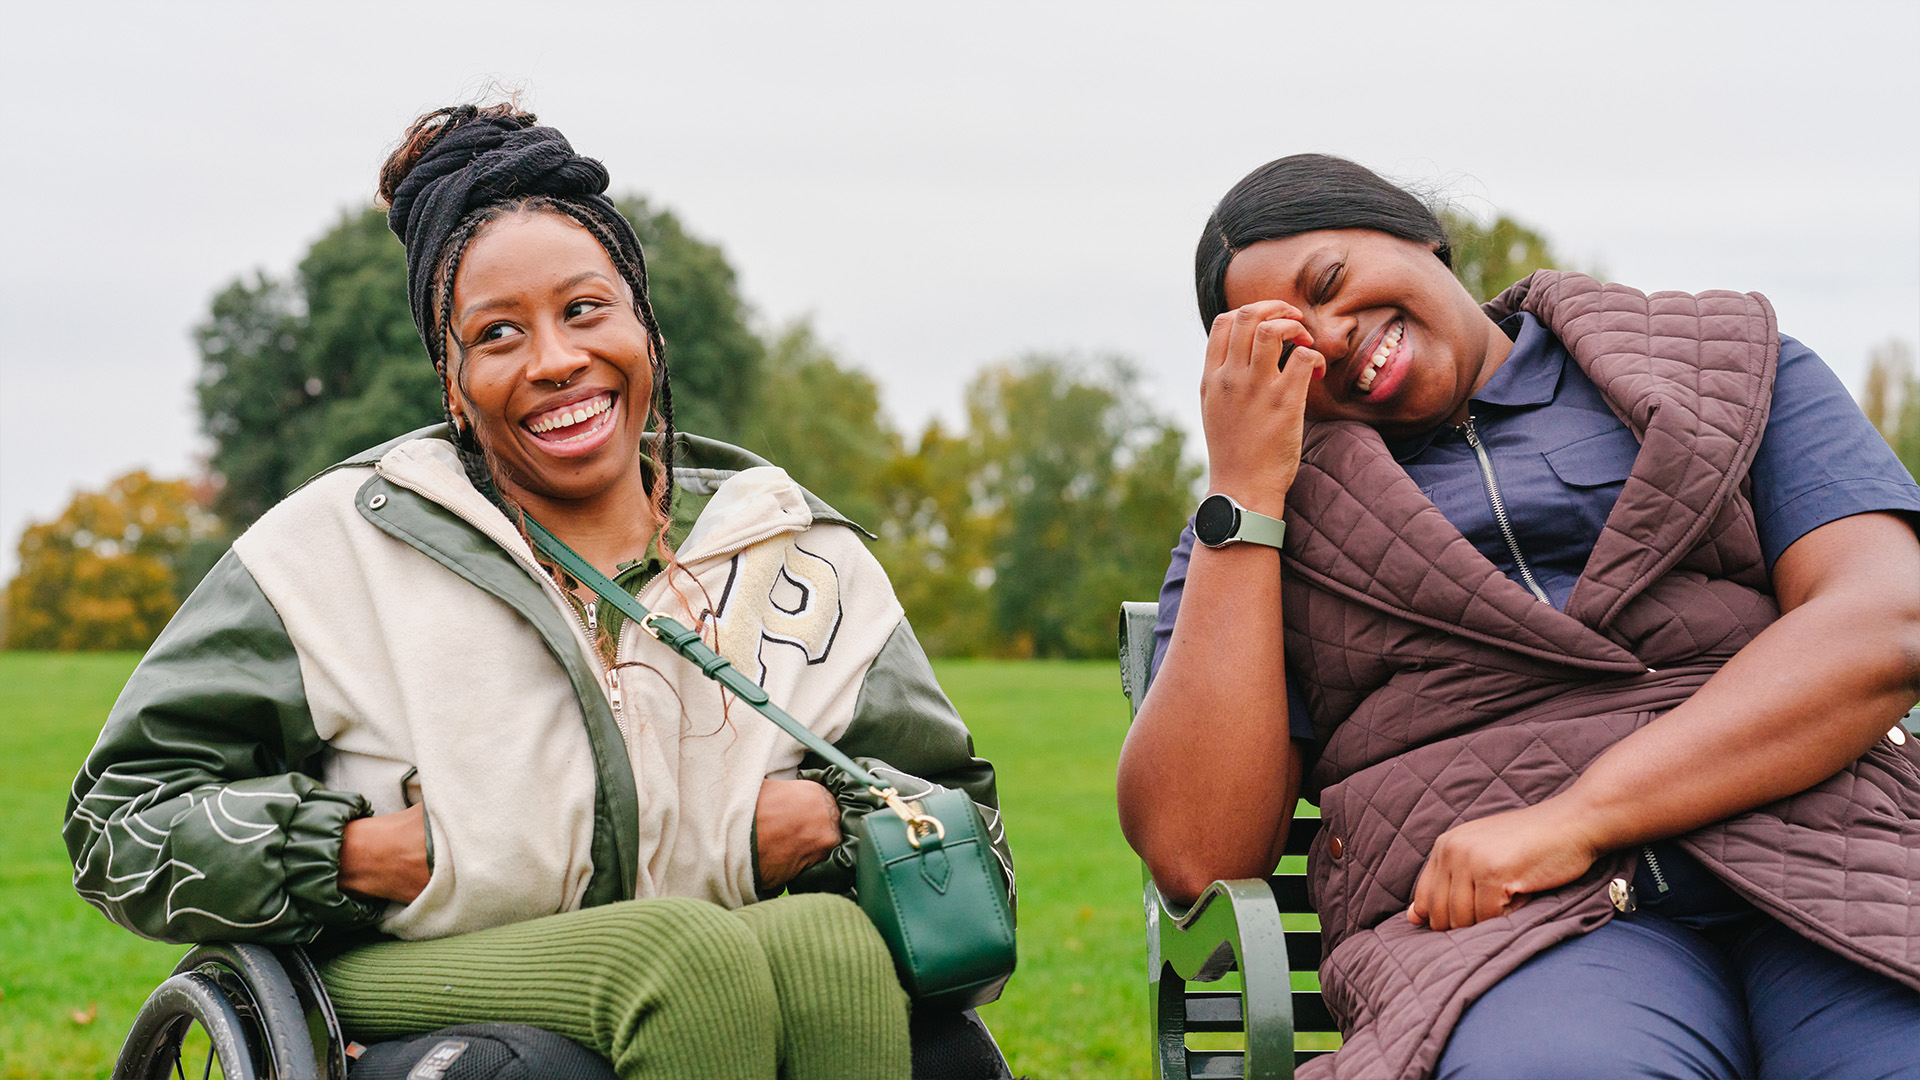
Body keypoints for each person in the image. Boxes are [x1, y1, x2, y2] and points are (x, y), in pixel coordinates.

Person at [66, 103, 1013, 1080]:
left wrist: (833, 825)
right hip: (416, 972)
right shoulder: (329, 551)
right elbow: (119, 820)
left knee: (833, 947)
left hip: (737, 945)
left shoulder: (799, 554)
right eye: (499, 333)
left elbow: (972, 836)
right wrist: (351, 855)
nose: (557, 361)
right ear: (452, 378)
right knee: (681, 958)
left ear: (643, 323)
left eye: (585, 310)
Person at [1117, 153, 1920, 1080]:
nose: (1333, 338)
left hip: (1831, 854)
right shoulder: (1260, 525)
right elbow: (1197, 853)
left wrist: (1577, 815)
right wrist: (1246, 493)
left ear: (1419, 232)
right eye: (1291, 344)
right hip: (1505, 933)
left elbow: (1885, 620)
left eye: (1332, 284)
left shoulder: (1731, 363)